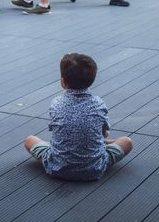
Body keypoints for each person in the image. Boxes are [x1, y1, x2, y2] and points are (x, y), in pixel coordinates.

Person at [24, 53, 133, 181]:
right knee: (127, 142)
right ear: (91, 80)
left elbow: (57, 130)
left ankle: (67, 147)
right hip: (94, 169)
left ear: (63, 82)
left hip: (57, 167)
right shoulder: (98, 104)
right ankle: (96, 145)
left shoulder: (56, 103)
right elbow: (103, 132)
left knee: (29, 140)